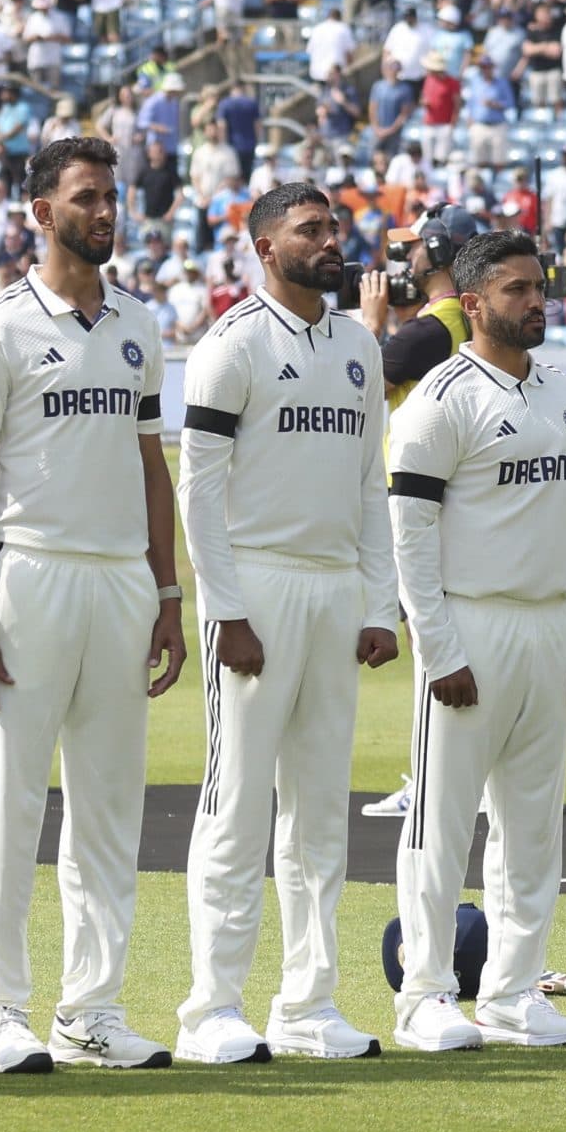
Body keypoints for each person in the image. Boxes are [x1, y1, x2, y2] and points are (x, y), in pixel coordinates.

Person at [0, 137, 188, 1076]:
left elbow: (149, 465)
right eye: (87, 197)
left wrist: (167, 592)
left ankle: (91, 1009)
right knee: (9, 801)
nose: (106, 212)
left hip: (120, 581)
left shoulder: (138, 322)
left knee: (108, 805)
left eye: (112, 197)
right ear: (40, 214)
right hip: (30, 574)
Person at [175, 183, 402, 1063]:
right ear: (265, 246)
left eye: (333, 227)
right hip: (256, 586)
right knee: (237, 805)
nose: (330, 240)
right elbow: (198, 488)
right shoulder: (231, 344)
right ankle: (212, 1009)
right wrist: (225, 607)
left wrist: (378, 603)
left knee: (319, 814)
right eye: (310, 230)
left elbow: (367, 488)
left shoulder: (355, 343)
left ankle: (308, 1003)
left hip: (333, 587)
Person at [385, 231, 566, 1050]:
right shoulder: (439, 398)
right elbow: (410, 533)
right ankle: (426, 993)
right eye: (515, 290)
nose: (534, 301)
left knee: (532, 826)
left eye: (538, 287)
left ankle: (515, 991)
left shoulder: (565, 394)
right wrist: (439, 648)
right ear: (473, 304)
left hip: (548, 627)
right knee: (440, 825)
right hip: (471, 624)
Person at [364, 203, 482, 413]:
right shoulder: (473, 314)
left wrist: (371, 325)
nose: (408, 257)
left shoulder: (422, 333)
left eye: (415, 246)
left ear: (438, 251)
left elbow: (356, 391)